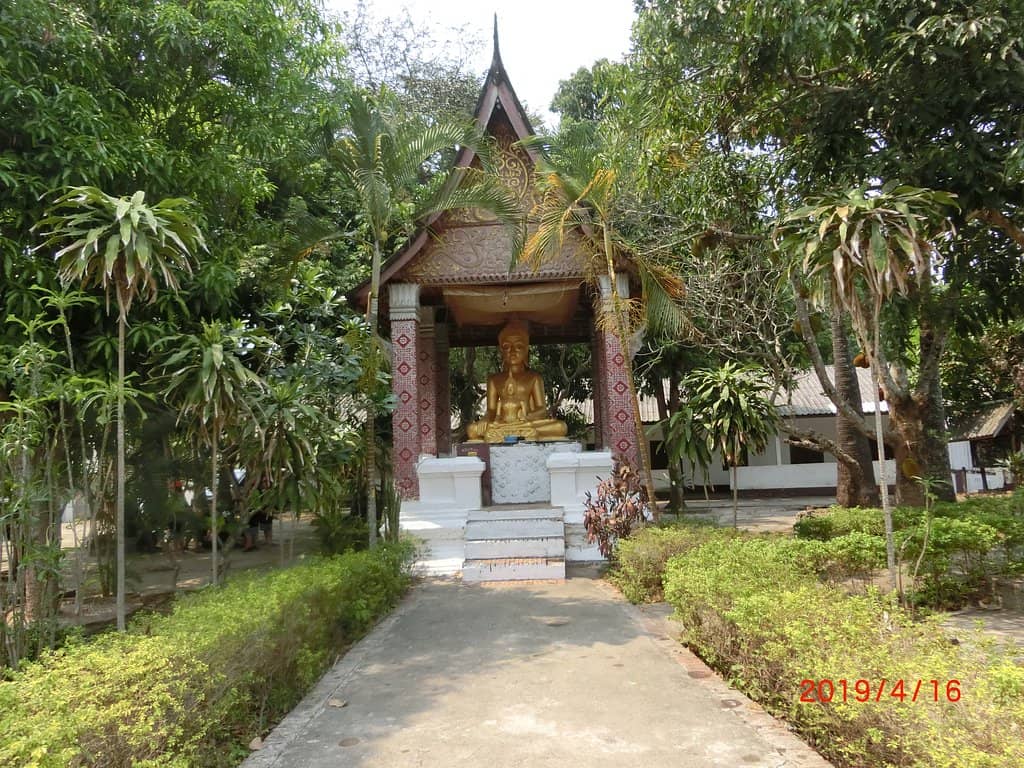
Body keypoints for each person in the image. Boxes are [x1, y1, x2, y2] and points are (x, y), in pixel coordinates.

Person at [466, 319, 568, 442]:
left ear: (526, 350)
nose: (513, 351)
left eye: (519, 346)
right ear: (501, 351)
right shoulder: (494, 379)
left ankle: (517, 432)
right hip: (502, 424)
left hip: (525, 423)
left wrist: (527, 418)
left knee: (560, 427)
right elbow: (492, 410)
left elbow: (542, 409)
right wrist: (486, 420)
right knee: (472, 430)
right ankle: (519, 433)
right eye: (507, 347)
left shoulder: (534, 377)